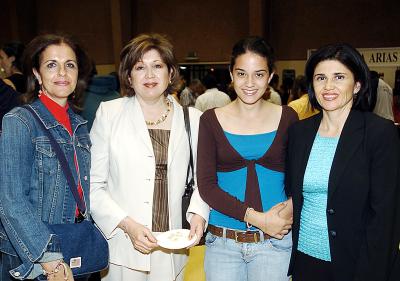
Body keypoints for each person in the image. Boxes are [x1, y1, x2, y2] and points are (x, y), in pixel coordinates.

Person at [89, 33, 209, 281]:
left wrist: (198, 213)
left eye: (157, 66)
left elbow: (203, 178)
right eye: (140, 67)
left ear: (171, 73)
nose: (150, 75)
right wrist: (127, 225)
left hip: (173, 245)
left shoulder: (193, 119)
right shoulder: (109, 114)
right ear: (129, 76)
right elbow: (93, 185)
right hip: (123, 247)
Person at [286, 43, 400, 281]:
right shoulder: (300, 133)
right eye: (320, 78)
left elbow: (385, 217)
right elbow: (294, 194)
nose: (328, 86)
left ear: (357, 84)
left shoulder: (379, 133)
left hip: (358, 263)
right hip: (306, 261)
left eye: (339, 77)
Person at [197, 36, 298, 281]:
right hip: (223, 244)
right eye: (242, 74)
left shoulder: (288, 117)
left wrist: (290, 211)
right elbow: (207, 186)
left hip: (275, 242)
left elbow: (300, 177)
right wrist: (257, 219)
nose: (250, 83)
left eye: (259, 74)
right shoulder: (211, 120)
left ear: (271, 76)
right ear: (231, 75)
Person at [0, 34, 92, 281]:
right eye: (52, 64)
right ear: (37, 74)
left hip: (73, 248)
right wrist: (50, 259)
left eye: (69, 65)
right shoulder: (19, 121)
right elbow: (10, 201)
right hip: (35, 258)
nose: (62, 72)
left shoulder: (80, 126)